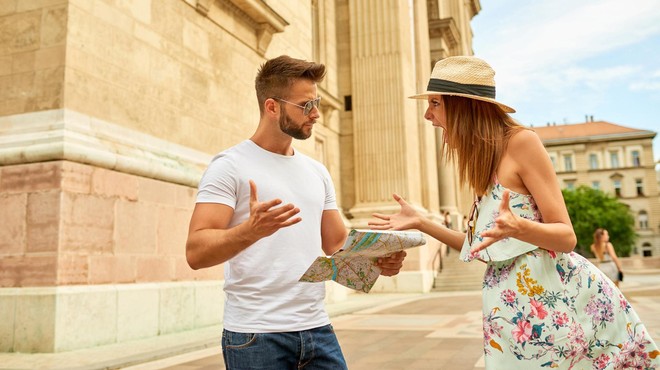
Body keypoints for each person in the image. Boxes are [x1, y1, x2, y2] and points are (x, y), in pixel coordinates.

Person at [369, 56, 659, 369]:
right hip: (513, 313)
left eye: (436, 103)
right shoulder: (484, 161)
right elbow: (479, 247)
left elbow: (566, 236)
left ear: (464, 105)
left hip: (556, 303)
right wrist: (422, 223)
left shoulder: (522, 142)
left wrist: (519, 227)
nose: (428, 114)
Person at [185, 55, 406, 370]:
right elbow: (195, 252)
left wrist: (376, 259)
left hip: (317, 330)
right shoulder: (229, 166)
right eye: (306, 105)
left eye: (315, 102)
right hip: (256, 336)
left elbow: (336, 243)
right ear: (272, 107)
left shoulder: (317, 172)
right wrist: (251, 230)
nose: (316, 113)